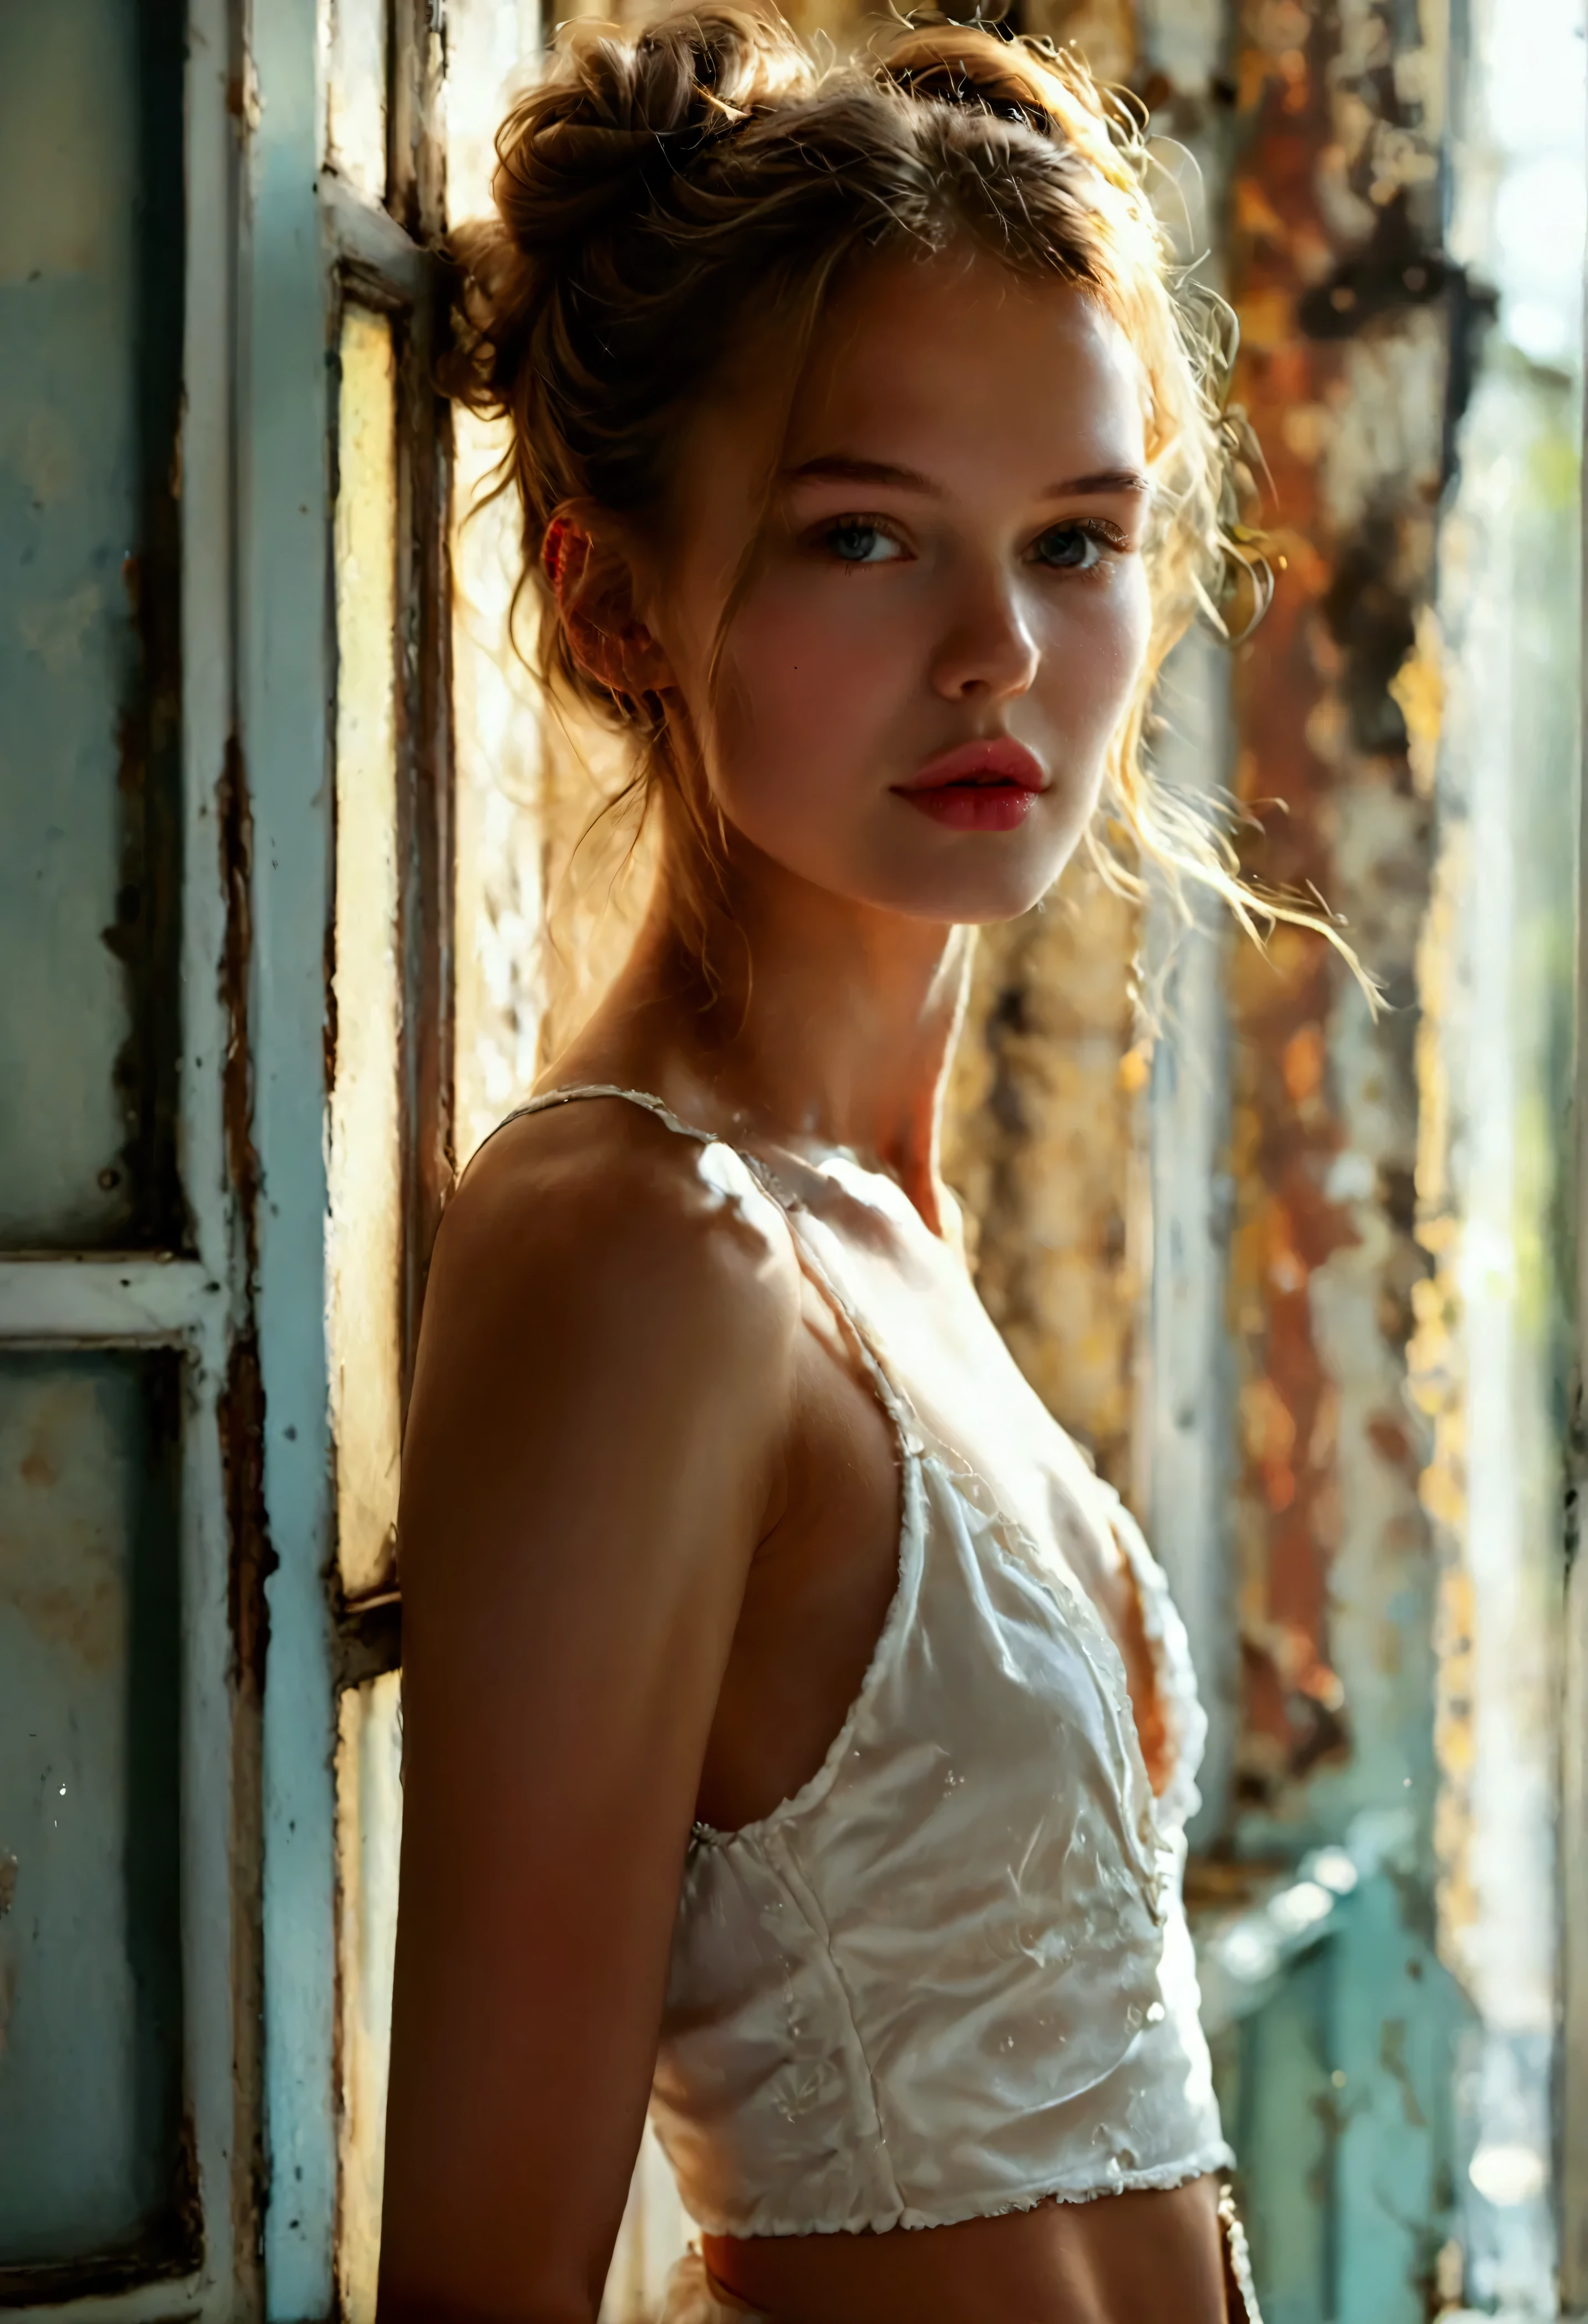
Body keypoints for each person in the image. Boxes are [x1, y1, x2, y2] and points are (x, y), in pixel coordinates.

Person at [379, 11, 1286, 2317]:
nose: (998, 655)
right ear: (610, 604)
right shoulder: (635, 1253)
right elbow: (486, 2282)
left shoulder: (864, 1218)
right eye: (862, 533)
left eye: (1073, 542)